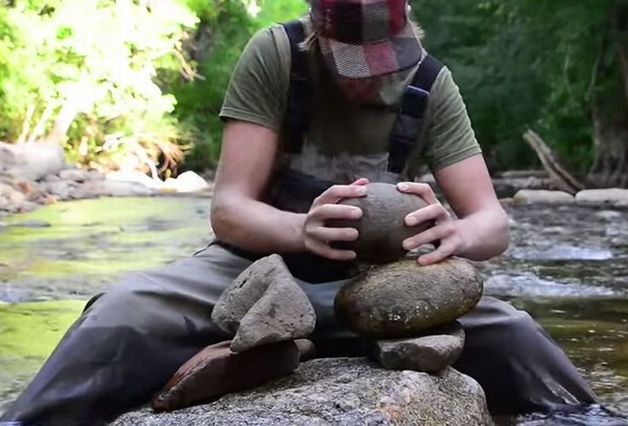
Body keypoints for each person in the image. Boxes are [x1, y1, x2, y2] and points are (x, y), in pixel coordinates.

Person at [0, 0, 597, 424]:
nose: (371, 75)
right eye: (351, 59)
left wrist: (452, 235)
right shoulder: (275, 57)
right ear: (317, 33)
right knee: (118, 317)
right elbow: (230, 209)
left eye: (383, 57)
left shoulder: (431, 83)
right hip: (252, 271)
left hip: (380, 289)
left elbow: (492, 223)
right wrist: (299, 229)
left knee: (519, 338)